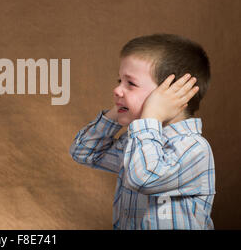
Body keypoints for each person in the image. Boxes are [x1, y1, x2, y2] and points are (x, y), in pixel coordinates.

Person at [70, 34, 215, 229]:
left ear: (172, 94)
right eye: (119, 81)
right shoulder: (136, 141)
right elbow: (84, 152)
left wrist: (151, 115)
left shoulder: (194, 149)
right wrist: (120, 108)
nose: (116, 90)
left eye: (131, 83)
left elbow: (144, 179)